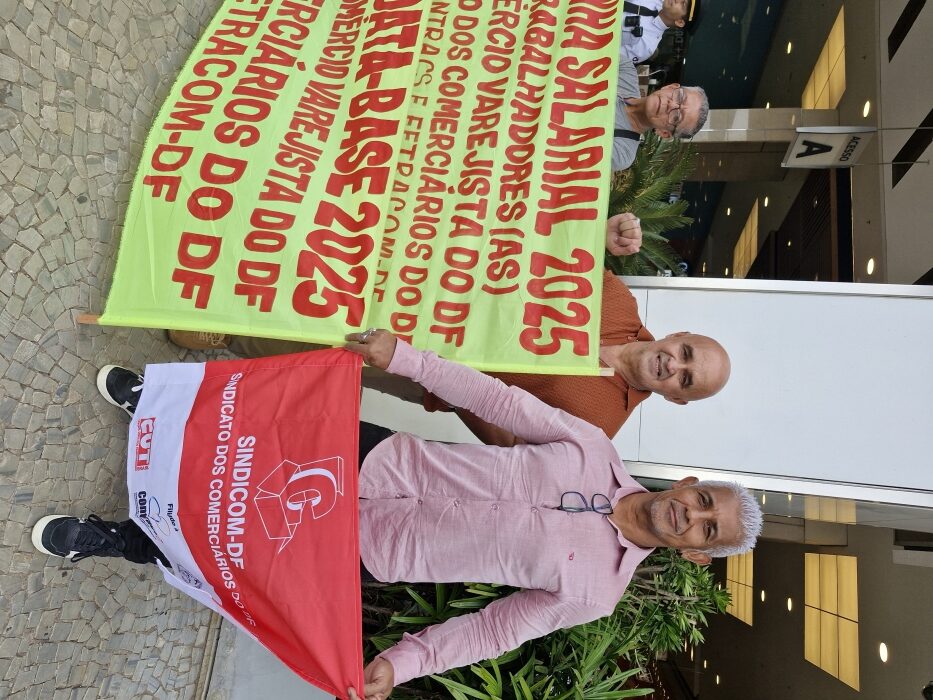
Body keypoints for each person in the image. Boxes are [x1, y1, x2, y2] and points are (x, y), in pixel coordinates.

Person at [32, 330, 762, 700]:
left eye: (707, 530)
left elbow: (494, 629)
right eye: (704, 501)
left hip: (373, 546)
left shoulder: (596, 592)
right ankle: (157, 410)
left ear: (697, 554)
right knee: (257, 433)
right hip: (384, 461)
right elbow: (498, 400)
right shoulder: (591, 446)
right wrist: (407, 359)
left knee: (237, 546)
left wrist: (404, 662)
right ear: (690, 482)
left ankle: (119, 539)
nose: (690, 516)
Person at [439, 213, 731, 447]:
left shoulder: (598, 429)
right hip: (442, 293)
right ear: (677, 336)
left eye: (685, 379)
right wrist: (598, 234)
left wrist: (452, 383)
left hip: (428, 370)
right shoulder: (618, 300)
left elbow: (516, 443)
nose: (673, 365)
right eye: (685, 353)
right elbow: (550, 250)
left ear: (676, 399)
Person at [612, 71, 709, 170]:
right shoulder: (625, 72)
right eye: (679, 97)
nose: (671, 105)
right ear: (670, 87)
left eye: (676, 117)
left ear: (664, 132)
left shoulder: (623, 152)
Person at [621, 0, 696, 66]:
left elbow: (614, 55)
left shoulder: (646, 47)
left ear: (680, 22)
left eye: (683, 4)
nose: (677, 0)